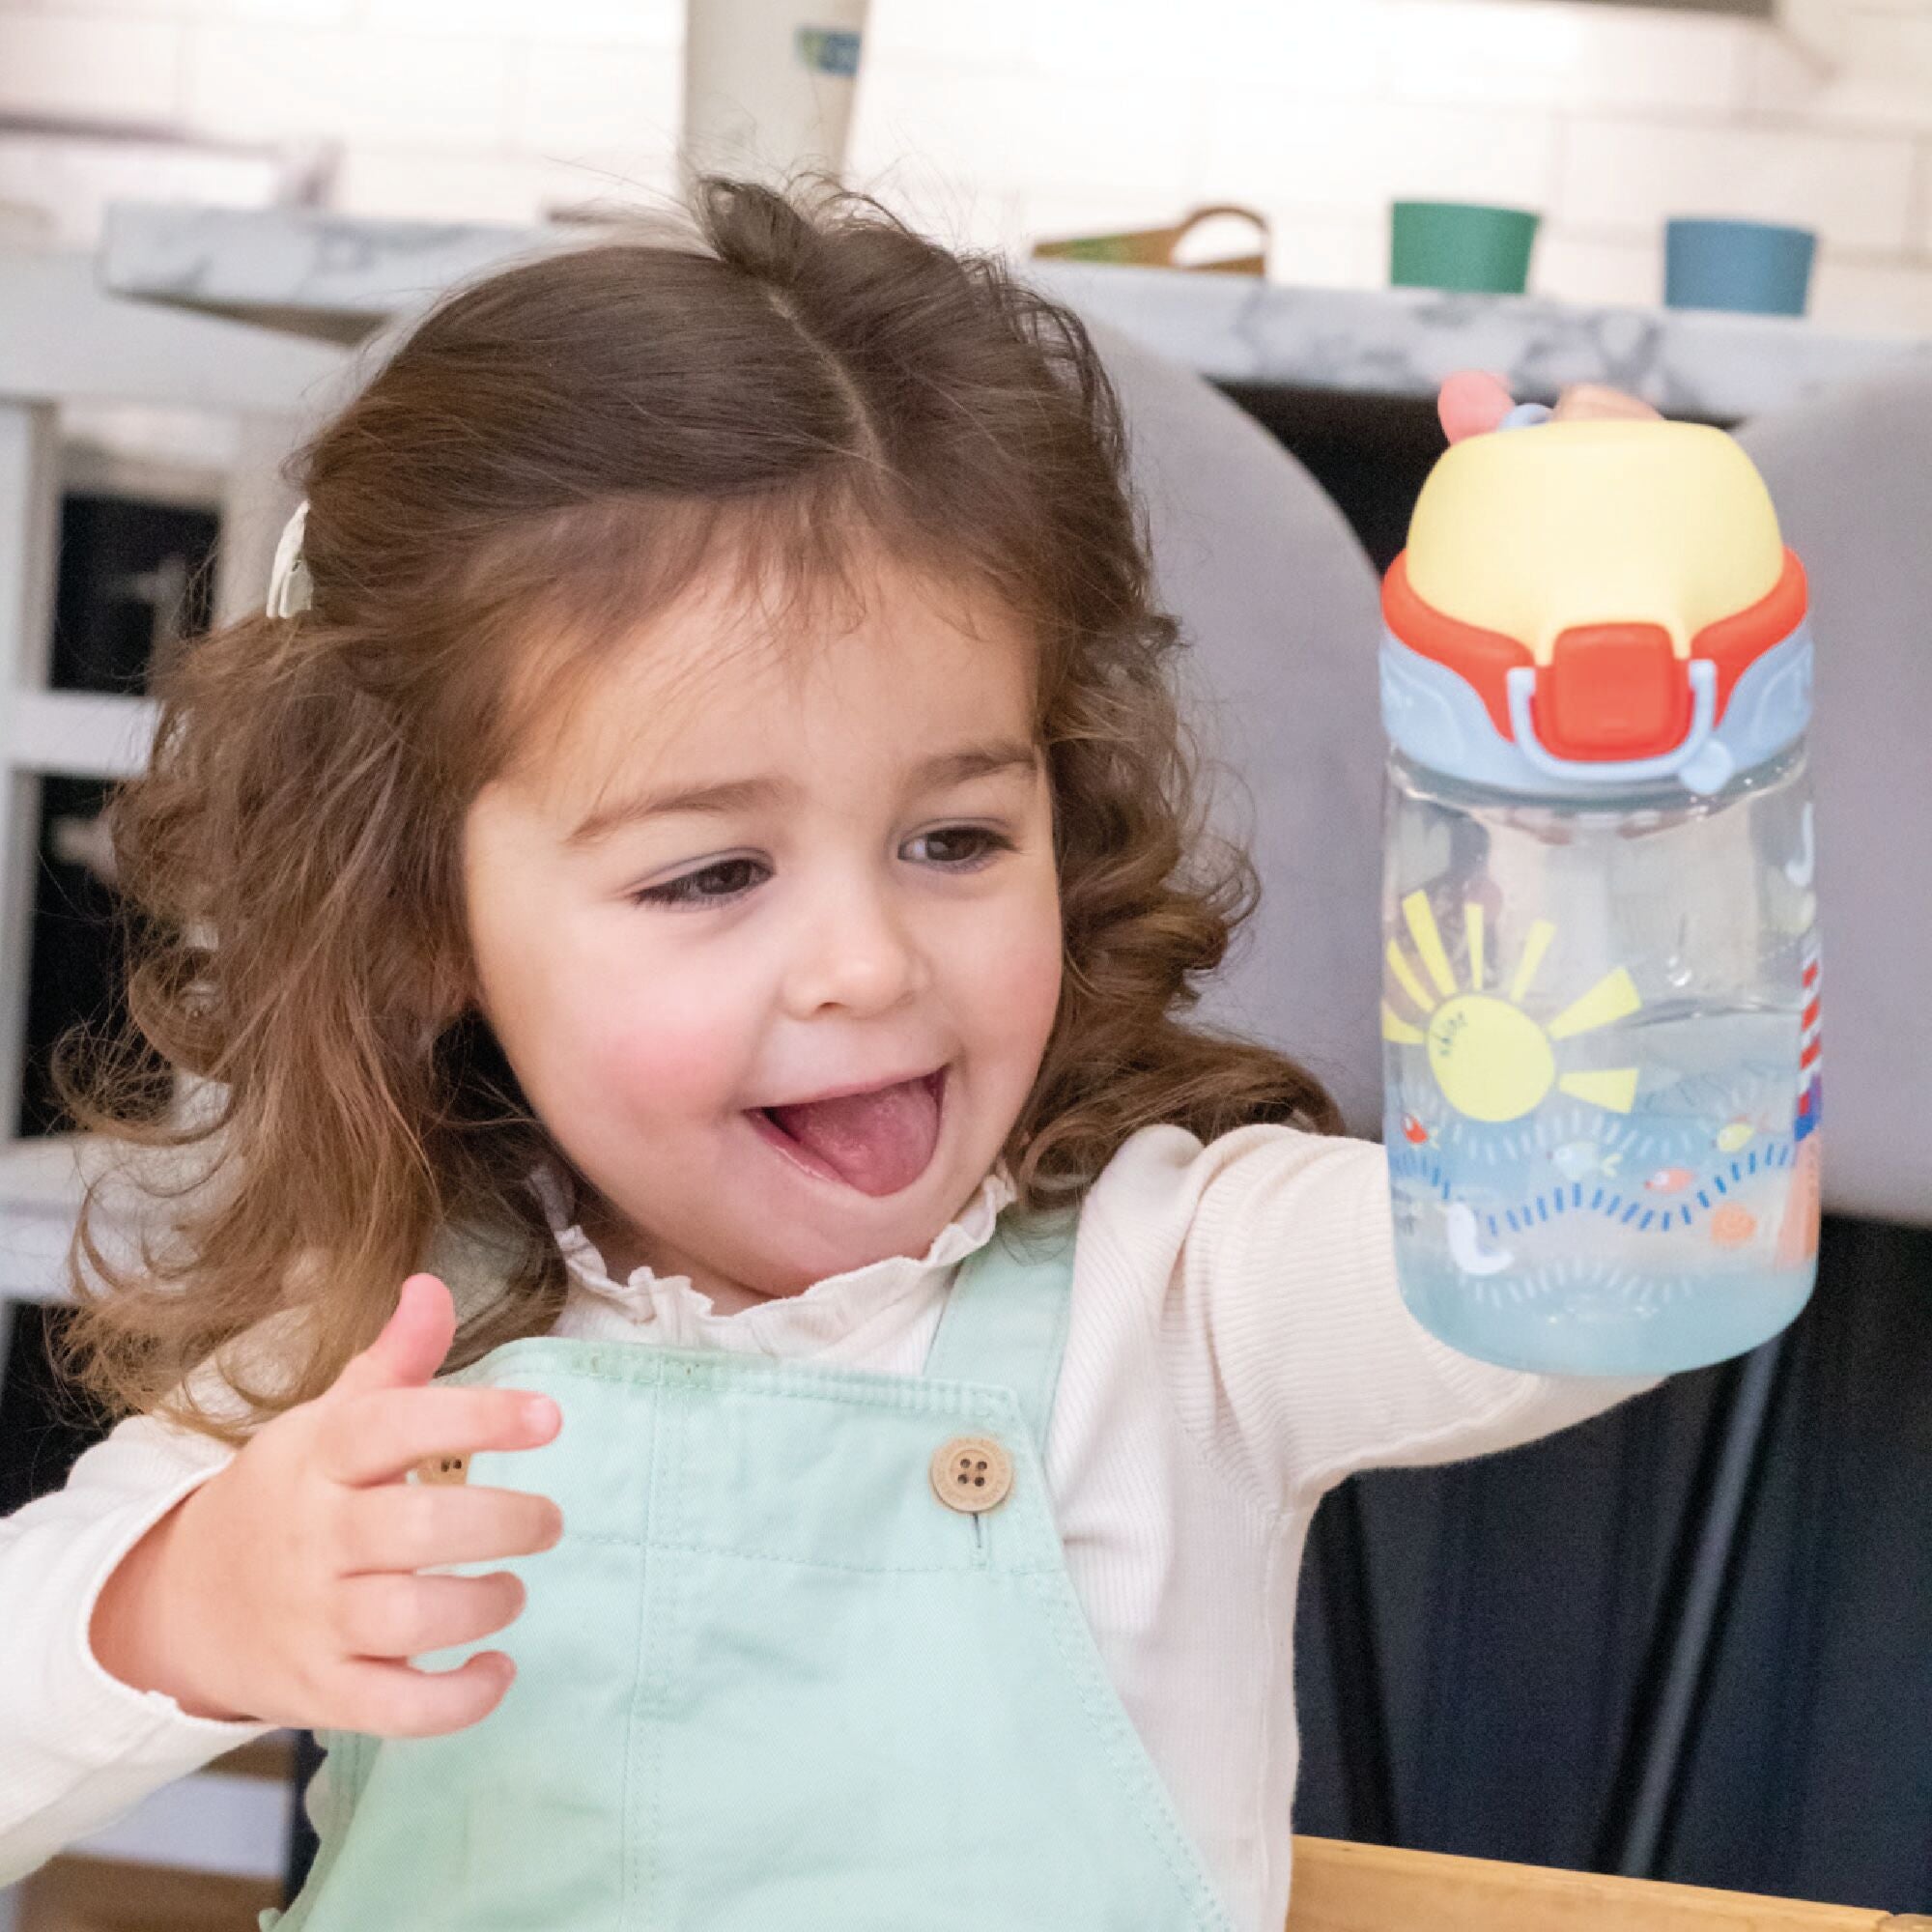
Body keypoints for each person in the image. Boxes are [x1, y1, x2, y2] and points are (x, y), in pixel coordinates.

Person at [0, 174, 1663, 1930]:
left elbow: (1599, 1258)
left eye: (954, 840)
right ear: (424, 923)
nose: (869, 966)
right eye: (712, 873)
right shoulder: (380, 1346)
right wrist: (178, 1604)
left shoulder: (1187, 1291)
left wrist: (1601, 805)